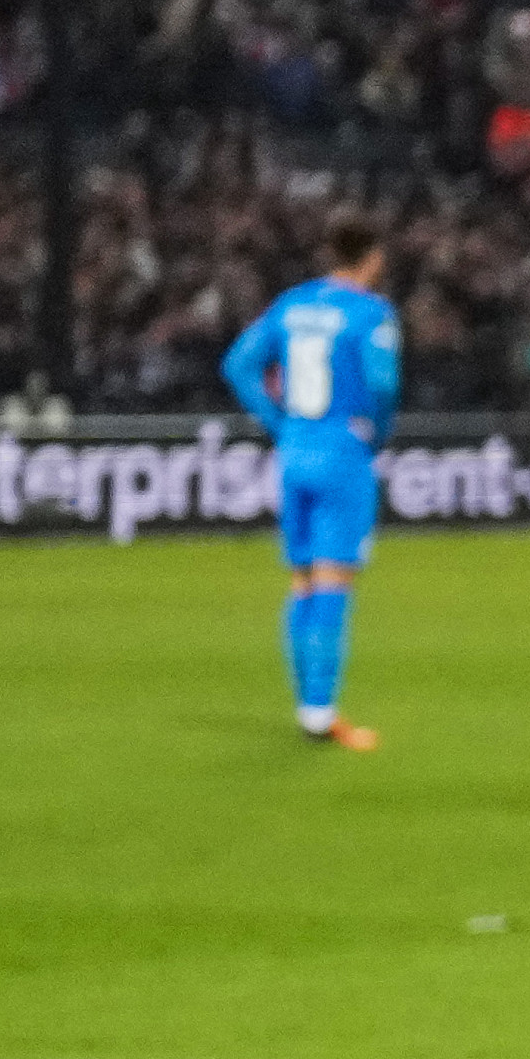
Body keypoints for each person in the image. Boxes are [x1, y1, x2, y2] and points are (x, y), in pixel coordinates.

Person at [218, 210, 399, 750]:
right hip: (342, 452)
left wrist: (279, 424)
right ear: (372, 258)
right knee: (333, 581)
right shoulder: (371, 312)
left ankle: (309, 707)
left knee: (301, 582)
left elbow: (238, 366)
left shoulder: (293, 304)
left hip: (294, 453)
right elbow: (383, 382)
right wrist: (377, 433)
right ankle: (322, 712)